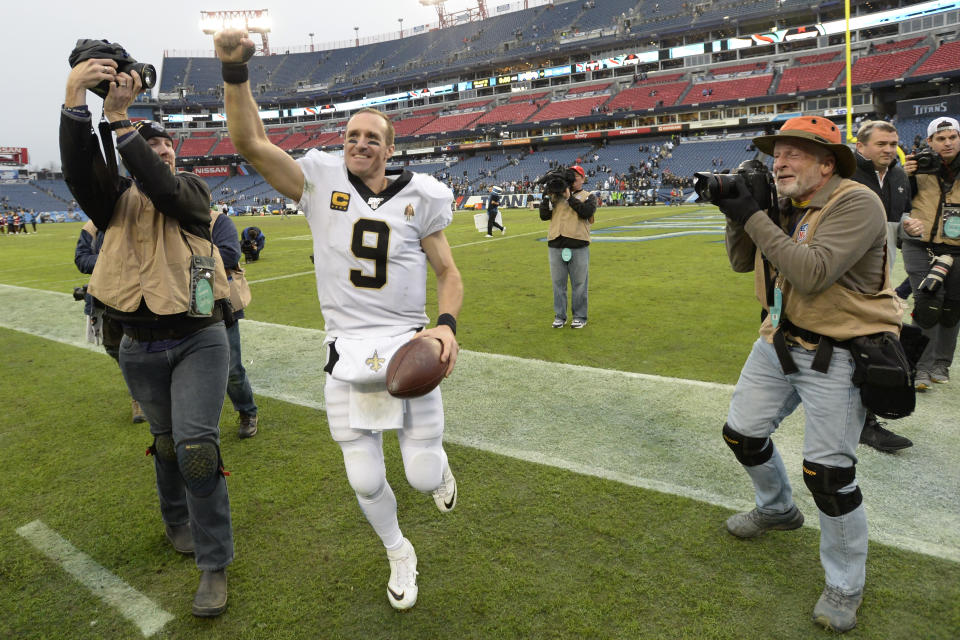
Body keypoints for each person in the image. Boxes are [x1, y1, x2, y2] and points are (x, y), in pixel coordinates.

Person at [215, 27, 462, 611]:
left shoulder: (421, 196)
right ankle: (399, 549)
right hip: (346, 353)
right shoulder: (318, 180)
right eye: (351, 135)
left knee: (423, 476)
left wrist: (446, 324)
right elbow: (250, 143)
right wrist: (233, 70)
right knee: (364, 479)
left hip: (407, 346)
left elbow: (448, 272)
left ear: (390, 147)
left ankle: (441, 472)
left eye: (372, 136)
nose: (359, 143)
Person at [60, 59, 234, 617]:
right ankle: (175, 521)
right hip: (137, 344)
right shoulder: (113, 205)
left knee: (197, 448)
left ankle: (214, 563)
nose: (159, 160)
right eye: (149, 154)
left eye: (166, 154)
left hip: (198, 340)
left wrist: (121, 122)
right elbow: (79, 172)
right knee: (164, 443)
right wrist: (75, 102)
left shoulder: (193, 194)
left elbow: (164, 188)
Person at [717, 116, 901, 632]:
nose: (780, 162)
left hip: (841, 351)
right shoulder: (787, 204)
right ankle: (777, 509)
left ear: (827, 163)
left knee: (829, 475)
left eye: (794, 153)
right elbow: (740, 262)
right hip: (779, 340)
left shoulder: (857, 202)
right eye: (778, 154)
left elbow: (811, 272)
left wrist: (753, 213)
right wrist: (738, 212)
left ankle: (845, 586)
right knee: (742, 434)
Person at [851, 120, 914, 452]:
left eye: (893, 143)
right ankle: (864, 423)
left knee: (871, 344)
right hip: (849, 278)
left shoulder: (899, 174)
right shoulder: (846, 175)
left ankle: (864, 420)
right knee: (865, 345)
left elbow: (898, 219)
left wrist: (909, 224)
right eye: (882, 144)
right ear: (861, 146)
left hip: (881, 276)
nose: (889, 149)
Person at [901, 116, 960, 391]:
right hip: (920, 243)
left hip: (956, 245)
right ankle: (918, 368)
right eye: (941, 138)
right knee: (927, 303)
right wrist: (906, 175)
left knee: (951, 308)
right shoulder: (917, 167)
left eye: (952, 137)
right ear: (930, 142)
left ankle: (940, 365)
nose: (947, 143)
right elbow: (898, 202)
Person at [75, 220, 146, 423]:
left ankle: (141, 396)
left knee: (141, 346)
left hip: (138, 297)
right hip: (103, 301)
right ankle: (138, 390)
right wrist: (112, 260)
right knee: (114, 349)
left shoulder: (136, 217)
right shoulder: (92, 226)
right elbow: (81, 259)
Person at [211, 209, 259, 438]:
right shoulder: (168, 221)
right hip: (178, 304)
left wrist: (188, 255)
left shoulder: (218, 221)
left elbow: (231, 255)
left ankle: (247, 412)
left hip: (219, 303)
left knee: (231, 368)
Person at [539, 165, 596, 329]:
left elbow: (586, 212)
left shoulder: (589, 196)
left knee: (579, 284)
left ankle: (579, 316)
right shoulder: (555, 197)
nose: (571, 180)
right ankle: (560, 316)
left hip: (578, 245)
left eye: (575, 177)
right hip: (556, 244)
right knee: (558, 284)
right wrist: (546, 197)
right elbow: (544, 216)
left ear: (582, 179)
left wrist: (569, 197)